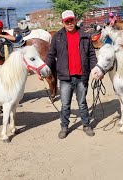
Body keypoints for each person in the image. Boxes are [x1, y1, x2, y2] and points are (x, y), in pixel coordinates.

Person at [46, 10, 97, 139]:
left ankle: (86, 125)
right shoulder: (57, 37)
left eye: (71, 20)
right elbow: (51, 55)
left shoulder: (84, 36)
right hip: (65, 77)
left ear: (75, 20)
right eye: (66, 21)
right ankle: (64, 127)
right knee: (65, 104)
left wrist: (95, 69)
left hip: (81, 76)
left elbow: (91, 55)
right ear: (63, 22)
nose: (69, 23)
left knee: (82, 103)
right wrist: (46, 69)